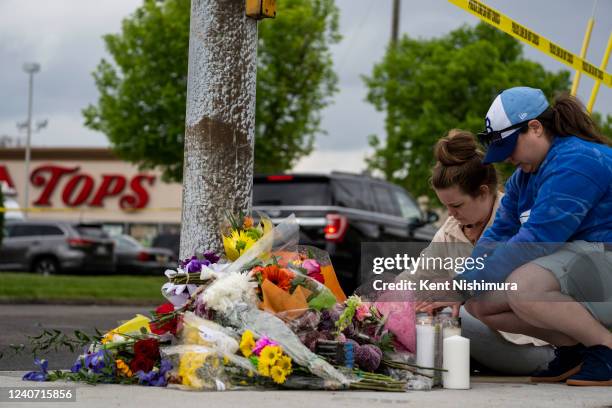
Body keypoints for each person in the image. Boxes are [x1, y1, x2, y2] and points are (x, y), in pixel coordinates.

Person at [418, 87, 612, 386]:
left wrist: (461, 285)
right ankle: (577, 350)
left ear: (535, 127)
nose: (507, 158)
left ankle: (606, 348)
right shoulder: (525, 177)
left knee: (523, 283)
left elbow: (537, 239)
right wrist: (463, 287)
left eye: (509, 146)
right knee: (479, 302)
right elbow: (496, 236)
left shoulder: (578, 161)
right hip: (592, 268)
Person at [399, 129, 553, 375]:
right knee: (414, 309)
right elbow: (415, 278)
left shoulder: (524, 224)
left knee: (448, 315)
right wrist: (373, 304)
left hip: (534, 346)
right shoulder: (449, 232)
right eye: (445, 206)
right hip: (480, 342)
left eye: (457, 205)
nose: (451, 214)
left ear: (483, 192)